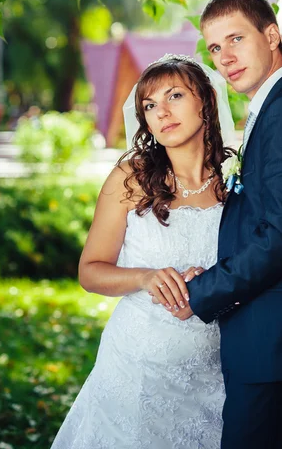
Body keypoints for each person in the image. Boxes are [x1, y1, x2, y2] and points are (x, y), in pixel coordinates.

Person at [169, 0, 282, 449]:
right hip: (262, 339)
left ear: (272, 36)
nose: (224, 57)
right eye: (214, 47)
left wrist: (202, 291)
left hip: (277, 344)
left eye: (236, 39)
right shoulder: (273, 109)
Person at [50, 54, 236, 449]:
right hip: (136, 364)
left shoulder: (236, 180)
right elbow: (90, 271)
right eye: (150, 105)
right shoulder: (131, 178)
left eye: (174, 96)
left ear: (205, 100)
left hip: (217, 368)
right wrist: (144, 277)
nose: (162, 112)